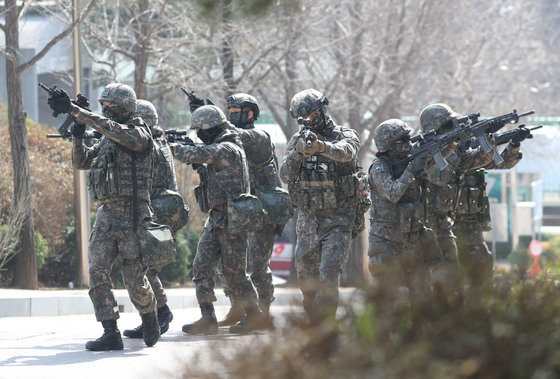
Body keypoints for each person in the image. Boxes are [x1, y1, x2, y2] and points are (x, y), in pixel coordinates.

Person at [47, 83, 160, 350]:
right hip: (108, 214)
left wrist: (77, 112)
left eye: (111, 107)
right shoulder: (107, 137)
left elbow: (115, 131)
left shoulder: (139, 133)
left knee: (134, 278)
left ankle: (150, 315)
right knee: (97, 271)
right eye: (103, 107)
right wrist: (77, 135)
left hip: (134, 215)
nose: (106, 111)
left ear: (126, 108)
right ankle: (110, 331)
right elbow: (82, 162)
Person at [170, 105, 267, 334]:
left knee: (234, 274)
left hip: (233, 219)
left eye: (201, 130)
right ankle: (208, 318)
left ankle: (255, 315)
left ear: (211, 128)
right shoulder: (220, 145)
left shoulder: (228, 148)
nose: (199, 134)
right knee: (201, 267)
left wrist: (167, 145)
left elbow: (195, 154)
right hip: (216, 218)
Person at [280, 89, 360, 321]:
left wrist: (322, 148)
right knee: (307, 282)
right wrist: (298, 152)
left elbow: (348, 152)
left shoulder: (344, 134)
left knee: (328, 275)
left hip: (339, 220)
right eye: (303, 119)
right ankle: (314, 323)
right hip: (307, 223)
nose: (309, 121)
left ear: (322, 110)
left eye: (313, 115)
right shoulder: (297, 140)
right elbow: (285, 175)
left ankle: (325, 329)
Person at [217, 93, 287, 327]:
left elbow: (235, 135)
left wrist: (213, 117)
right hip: (244, 211)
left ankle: (263, 312)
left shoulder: (258, 136)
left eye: (236, 110)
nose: (231, 114)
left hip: (265, 212)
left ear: (249, 113)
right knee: (230, 264)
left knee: (257, 266)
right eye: (229, 110)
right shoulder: (228, 137)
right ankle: (238, 308)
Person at [123, 99, 187, 339]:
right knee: (147, 270)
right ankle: (159, 313)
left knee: (142, 270)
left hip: (159, 215)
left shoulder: (153, 146)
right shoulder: (159, 140)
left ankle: (159, 313)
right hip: (164, 213)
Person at [368, 119, 444, 291]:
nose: (407, 143)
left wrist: (453, 145)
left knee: (422, 297)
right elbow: (393, 193)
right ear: (388, 145)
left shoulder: (409, 161)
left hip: (412, 240)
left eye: (408, 139)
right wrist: (411, 170)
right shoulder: (379, 168)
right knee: (389, 302)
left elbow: (437, 160)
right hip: (386, 243)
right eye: (401, 140)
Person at [418, 103, 494, 265]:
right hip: (425, 225)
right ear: (435, 128)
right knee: (429, 275)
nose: (453, 127)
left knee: (452, 274)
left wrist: (486, 138)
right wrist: (455, 149)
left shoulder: (453, 148)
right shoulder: (424, 151)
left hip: (444, 221)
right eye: (448, 125)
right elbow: (439, 177)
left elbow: (479, 159)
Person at [453, 135, 524, 284]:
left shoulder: (472, 158)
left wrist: (514, 144)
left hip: (472, 224)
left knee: (482, 268)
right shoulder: (440, 159)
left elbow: (502, 162)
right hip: (448, 225)